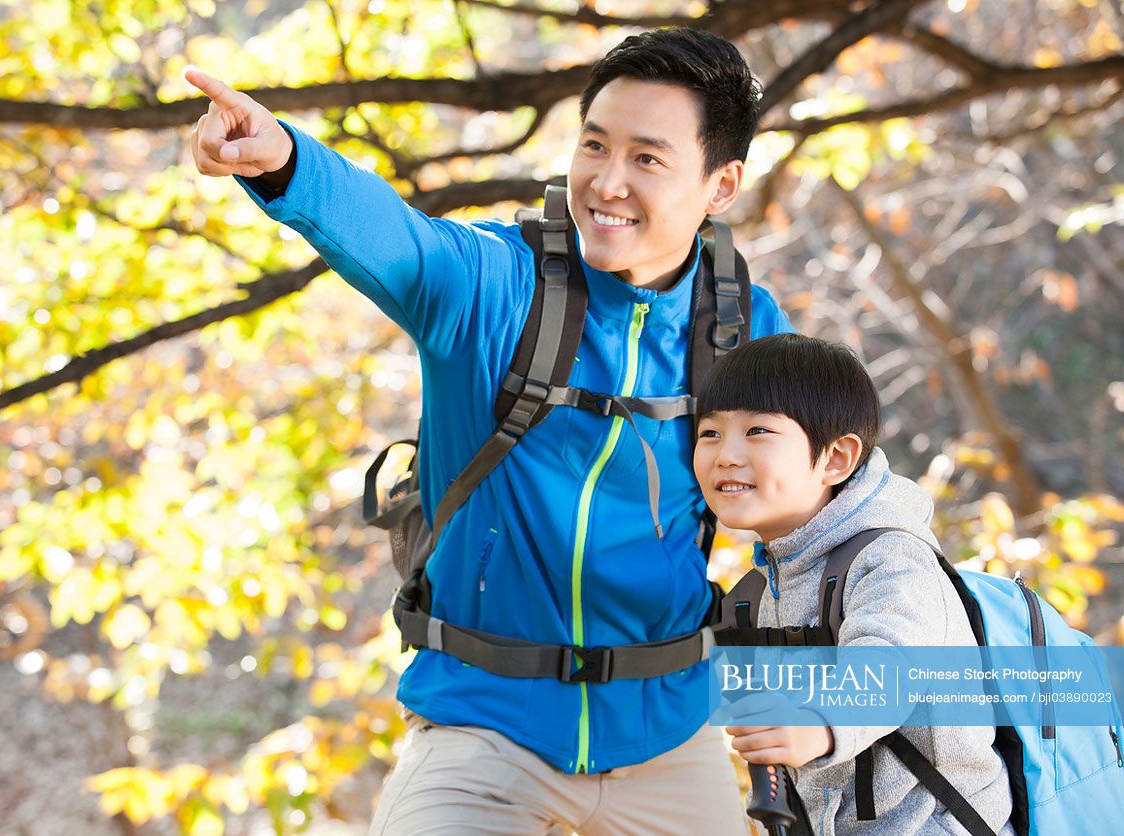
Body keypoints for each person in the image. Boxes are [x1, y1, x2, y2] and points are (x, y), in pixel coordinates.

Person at [188, 28, 793, 835]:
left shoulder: (745, 332)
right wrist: (286, 159)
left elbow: (813, 527)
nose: (606, 182)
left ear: (719, 185)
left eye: (647, 159)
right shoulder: (491, 286)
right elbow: (392, 234)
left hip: (670, 739)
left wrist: (827, 716)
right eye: (593, 146)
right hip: (483, 734)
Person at [693, 333, 1013, 834]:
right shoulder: (763, 585)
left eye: (756, 430)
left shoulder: (891, 558)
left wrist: (818, 721)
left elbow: (892, 664)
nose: (725, 455)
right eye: (709, 433)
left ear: (836, 459)